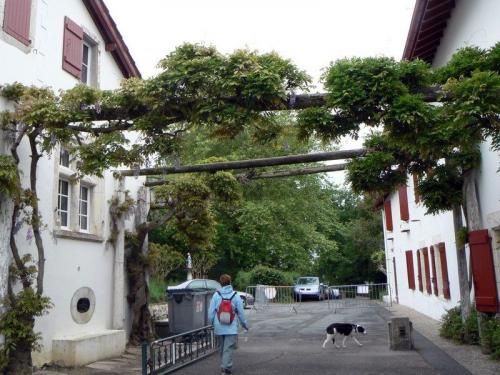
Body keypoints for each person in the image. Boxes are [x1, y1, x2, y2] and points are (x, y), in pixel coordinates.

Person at [208, 274, 249, 375]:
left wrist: (212, 323)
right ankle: (225, 368)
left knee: (222, 348)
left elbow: (210, 313)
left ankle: (224, 366)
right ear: (230, 282)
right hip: (231, 327)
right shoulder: (235, 295)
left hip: (219, 326)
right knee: (228, 348)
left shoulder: (216, 295)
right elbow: (241, 313)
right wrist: (244, 325)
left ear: (221, 283)